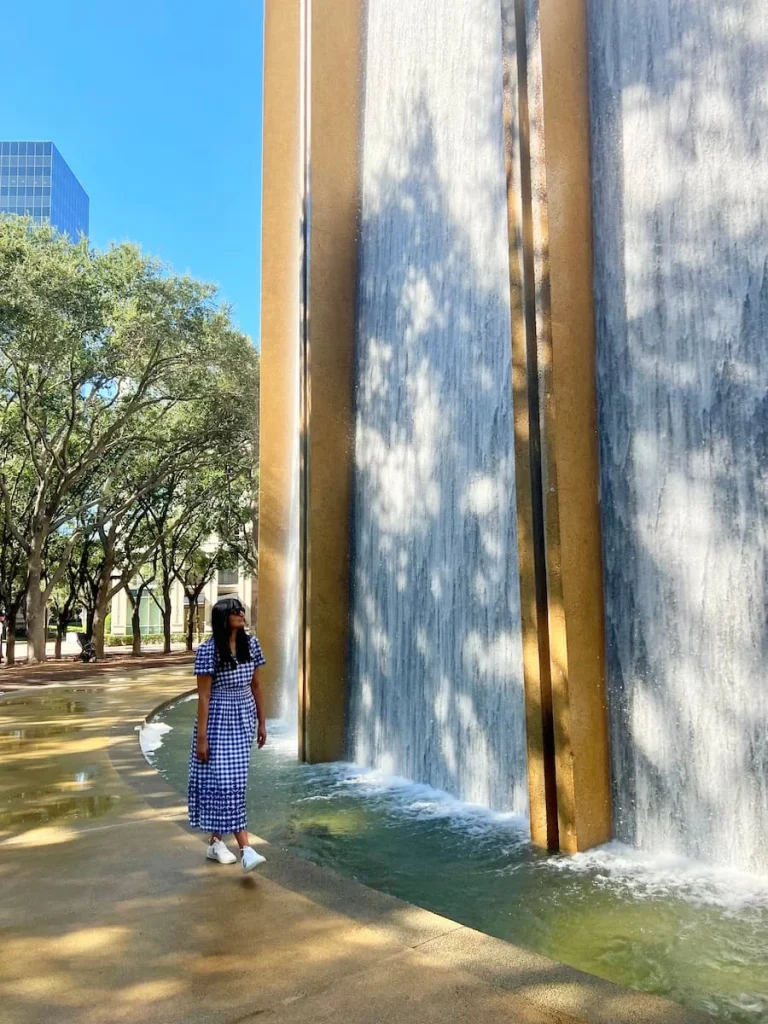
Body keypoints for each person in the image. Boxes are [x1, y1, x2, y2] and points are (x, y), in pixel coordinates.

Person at [188, 596, 268, 872]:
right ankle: (246, 848)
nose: (242, 614)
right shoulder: (208, 650)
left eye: (242, 610)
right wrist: (202, 737)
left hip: (242, 715)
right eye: (235, 611)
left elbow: (256, 686)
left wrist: (261, 722)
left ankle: (215, 843)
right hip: (218, 718)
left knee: (234, 782)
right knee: (225, 782)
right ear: (223, 617)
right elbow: (204, 695)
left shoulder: (252, 645)